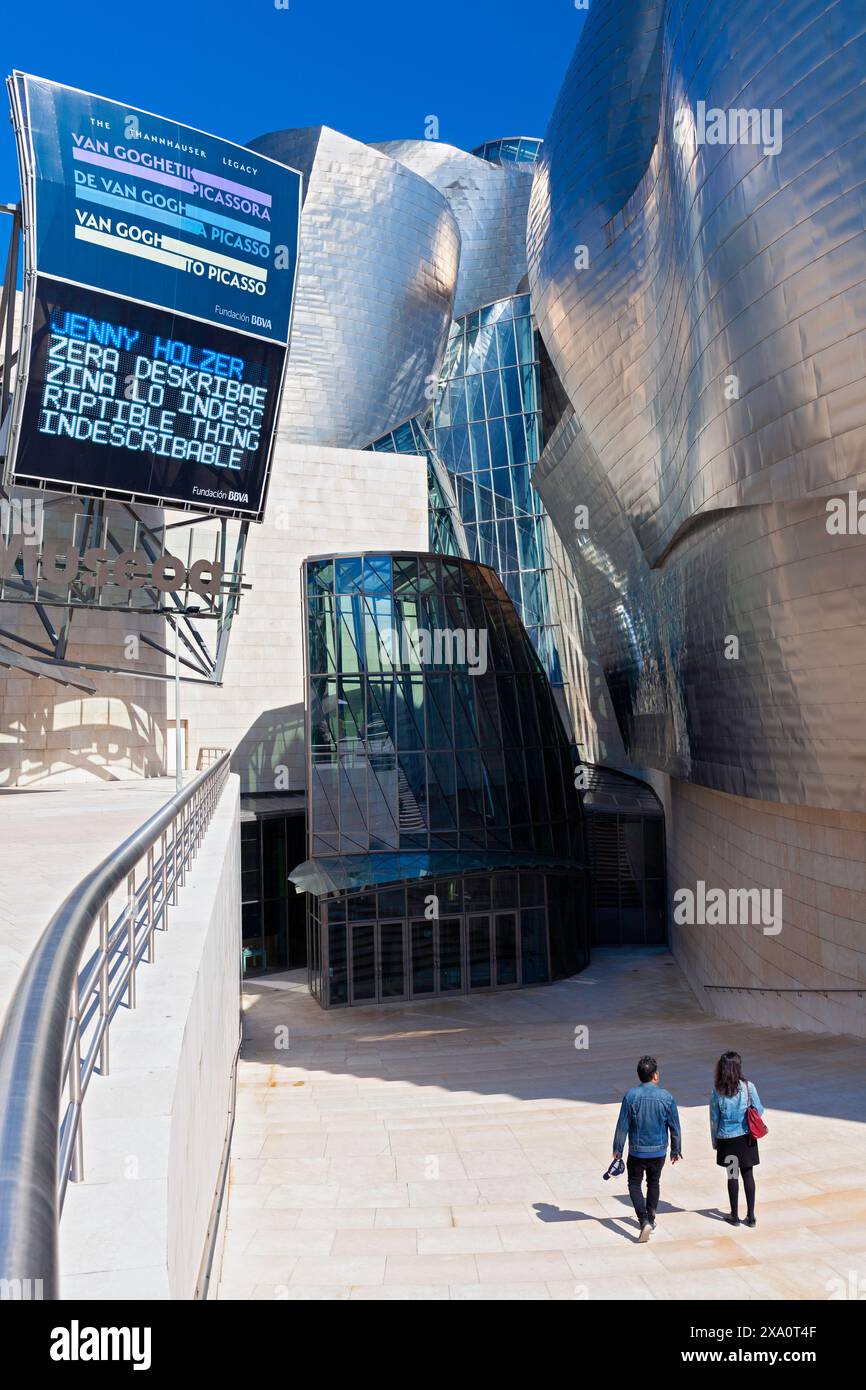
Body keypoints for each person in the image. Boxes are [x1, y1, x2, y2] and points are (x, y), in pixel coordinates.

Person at [612, 1054, 682, 1242]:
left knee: (634, 1184)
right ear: (655, 1076)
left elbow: (622, 1125)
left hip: (637, 1151)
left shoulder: (631, 1096)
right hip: (658, 1151)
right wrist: (676, 1149)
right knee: (654, 1182)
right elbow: (675, 1125)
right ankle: (650, 1218)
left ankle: (644, 1220)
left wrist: (617, 1148)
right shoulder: (666, 1097)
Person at [710, 1050, 764, 1227]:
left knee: (732, 1176)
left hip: (728, 1140)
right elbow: (759, 1110)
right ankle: (751, 1216)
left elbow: (714, 1119)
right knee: (748, 1174)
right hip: (746, 1139)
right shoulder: (749, 1087)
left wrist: (715, 1141)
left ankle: (734, 1215)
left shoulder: (717, 1091)